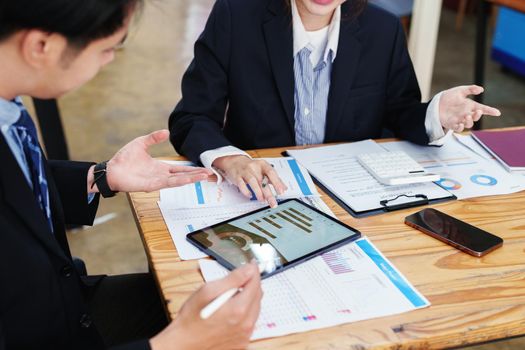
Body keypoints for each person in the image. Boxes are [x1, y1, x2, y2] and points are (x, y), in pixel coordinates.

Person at [0, 1, 262, 349]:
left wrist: (101, 177)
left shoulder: (9, 106)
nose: (109, 60)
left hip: (61, 301)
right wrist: (176, 344)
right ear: (41, 46)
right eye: (107, 48)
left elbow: (15, 190)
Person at [169, 0, 502, 208]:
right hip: (262, 196)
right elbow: (192, 117)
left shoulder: (382, 30)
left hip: (355, 200)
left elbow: (399, 112)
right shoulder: (235, 15)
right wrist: (229, 159)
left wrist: (437, 114)